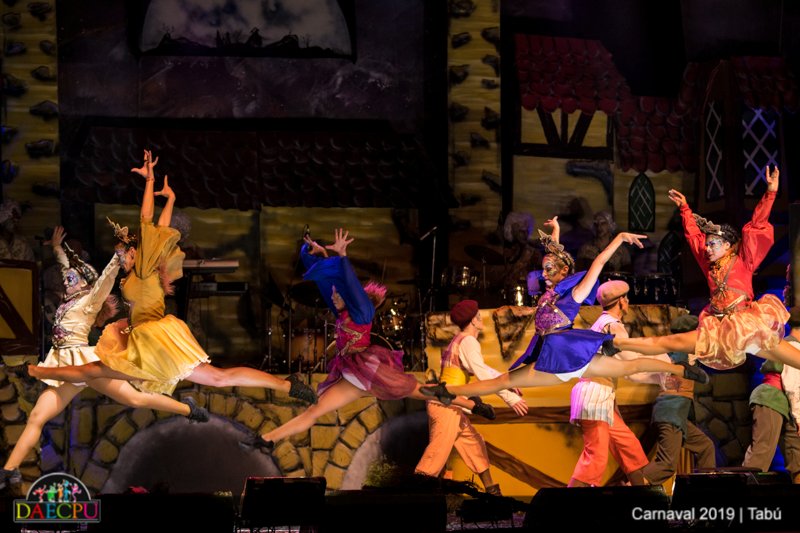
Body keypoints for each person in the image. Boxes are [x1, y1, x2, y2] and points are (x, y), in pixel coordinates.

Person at [28, 150, 317, 403]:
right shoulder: (140, 271)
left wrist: (150, 181)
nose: (121, 256)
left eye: (125, 252)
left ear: (136, 252)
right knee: (215, 378)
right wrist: (171, 200)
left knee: (96, 370)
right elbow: (162, 230)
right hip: (144, 338)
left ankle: (34, 371)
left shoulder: (144, 269)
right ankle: (287, 385)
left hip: (155, 341)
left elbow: (147, 220)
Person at [239, 229, 495, 452]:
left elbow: (348, 282)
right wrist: (320, 254)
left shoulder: (362, 312)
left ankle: (472, 403)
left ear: (349, 296)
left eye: (338, 294)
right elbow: (332, 282)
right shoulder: (341, 309)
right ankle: (266, 440)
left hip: (371, 369)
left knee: (423, 391)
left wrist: (343, 256)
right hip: (353, 374)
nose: (332, 296)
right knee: (314, 410)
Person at [0, 226, 209, 491]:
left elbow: (107, 278)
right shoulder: (68, 297)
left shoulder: (91, 299)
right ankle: (10, 470)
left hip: (82, 362)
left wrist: (118, 256)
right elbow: (65, 265)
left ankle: (189, 409)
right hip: (63, 363)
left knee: (135, 399)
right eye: (69, 277)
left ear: (85, 283)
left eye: (74, 277)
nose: (69, 279)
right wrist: (56, 247)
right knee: (37, 418)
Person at [420, 218, 708, 404]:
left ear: (562, 272)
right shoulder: (550, 293)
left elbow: (597, 264)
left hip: (569, 352)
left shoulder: (576, 293)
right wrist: (556, 231)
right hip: (552, 357)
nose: (544, 274)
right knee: (500, 381)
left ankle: (680, 368)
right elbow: (557, 256)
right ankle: (447, 392)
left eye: (549, 270)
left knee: (630, 367)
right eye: (544, 269)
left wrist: (619, 238)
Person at [611, 167, 800, 371]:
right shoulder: (708, 265)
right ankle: (616, 343)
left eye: (713, 244)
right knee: (670, 342)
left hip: (747, 328)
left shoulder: (744, 260)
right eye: (707, 244)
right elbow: (694, 237)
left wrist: (770, 192)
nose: (707, 248)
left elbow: (757, 224)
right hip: (717, 330)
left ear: (727, 245)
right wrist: (685, 209)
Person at [415, 300, 528, 495]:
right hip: (446, 406)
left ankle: (491, 491)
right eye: (478, 315)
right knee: (436, 456)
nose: (481, 318)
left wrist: (508, 382)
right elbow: (482, 374)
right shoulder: (468, 341)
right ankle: (415, 498)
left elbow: (483, 369)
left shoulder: (461, 340)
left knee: (475, 445)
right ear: (473, 321)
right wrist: (510, 398)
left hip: (452, 405)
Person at [568, 280, 649, 487]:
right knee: (595, 456)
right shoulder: (613, 326)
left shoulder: (601, 323)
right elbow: (631, 364)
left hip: (602, 397)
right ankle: (567, 504)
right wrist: (661, 373)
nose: (628, 302)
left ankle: (644, 496)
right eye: (627, 298)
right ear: (621, 301)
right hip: (595, 396)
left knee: (628, 447)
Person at [640, 314, 716, 486]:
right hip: (671, 414)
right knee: (666, 464)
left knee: (705, 446)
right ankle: (632, 488)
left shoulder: (679, 352)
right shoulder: (679, 354)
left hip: (678, 416)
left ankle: (706, 489)